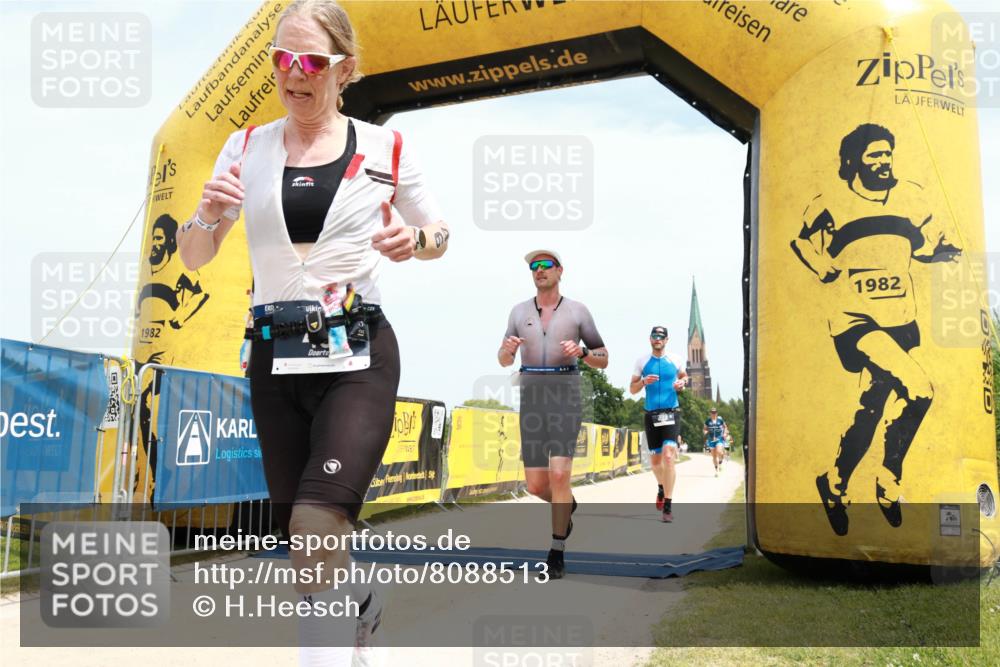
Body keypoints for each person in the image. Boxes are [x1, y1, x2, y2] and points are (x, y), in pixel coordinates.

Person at [178, 1, 449, 664]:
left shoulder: (387, 148)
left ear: (344, 69)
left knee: (313, 524)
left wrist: (413, 239)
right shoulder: (246, 146)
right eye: (281, 59)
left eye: (310, 61)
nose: (292, 74)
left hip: (357, 356)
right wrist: (207, 216)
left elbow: (440, 233)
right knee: (309, 545)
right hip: (274, 358)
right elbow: (193, 254)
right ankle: (360, 599)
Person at [790, 123, 960, 536]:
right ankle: (889, 478)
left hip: (900, 319)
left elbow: (922, 249)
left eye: (887, 155)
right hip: (855, 320)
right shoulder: (831, 201)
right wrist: (820, 264)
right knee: (920, 388)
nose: (883, 162)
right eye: (874, 156)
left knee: (869, 411)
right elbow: (801, 241)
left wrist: (941, 255)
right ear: (853, 162)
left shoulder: (911, 197)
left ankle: (833, 482)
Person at [498, 250, 608, 579]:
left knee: (560, 475)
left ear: (560, 270)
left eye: (546, 265)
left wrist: (584, 352)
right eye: (534, 266)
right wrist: (507, 351)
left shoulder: (578, 311)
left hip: (566, 393)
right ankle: (566, 506)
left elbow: (603, 357)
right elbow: (503, 359)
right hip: (532, 396)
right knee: (535, 485)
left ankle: (556, 551)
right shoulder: (519, 312)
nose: (539, 270)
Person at [629, 326, 687, 523]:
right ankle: (661, 488)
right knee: (655, 463)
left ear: (667, 339)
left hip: (671, 412)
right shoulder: (642, 361)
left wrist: (682, 383)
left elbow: (684, 377)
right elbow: (632, 389)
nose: (658, 339)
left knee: (669, 456)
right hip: (651, 414)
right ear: (650, 339)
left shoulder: (676, 360)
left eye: (661, 337)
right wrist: (644, 382)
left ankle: (668, 506)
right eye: (655, 336)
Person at [703, 407, 728, 476]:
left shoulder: (720, 420)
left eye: (715, 412)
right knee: (714, 456)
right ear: (710, 413)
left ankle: (721, 461)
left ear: (717, 413)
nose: (713, 414)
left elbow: (725, 427)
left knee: (719, 451)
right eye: (712, 412)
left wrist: (725, 433)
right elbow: (704, 429)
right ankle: (717, 470)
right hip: (711, 440)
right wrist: (705, 432)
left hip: (719, 438)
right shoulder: (707, 421)